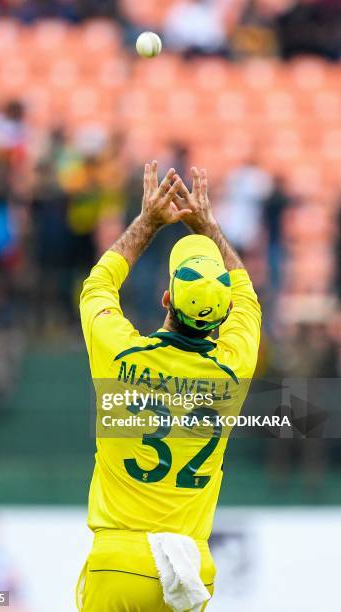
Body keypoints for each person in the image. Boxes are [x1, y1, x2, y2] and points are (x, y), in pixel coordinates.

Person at [77, 162, 261, 611]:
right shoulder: (232, 369)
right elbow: (250, 300)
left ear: (166, 299)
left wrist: (147, 221)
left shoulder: (120, 356)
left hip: (117, 561)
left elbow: (98, 286)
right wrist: (209, 226)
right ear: (223, 315)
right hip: (191, 567)